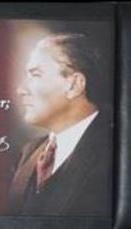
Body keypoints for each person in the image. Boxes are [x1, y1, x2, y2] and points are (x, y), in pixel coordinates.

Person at [7, 33, 112, 217]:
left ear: (74, 85)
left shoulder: (113, 154)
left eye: (35, 75)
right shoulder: (28, 153)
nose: (21, 89)